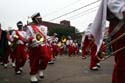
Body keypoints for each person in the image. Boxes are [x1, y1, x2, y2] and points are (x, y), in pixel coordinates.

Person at [90, 0, 125, 83]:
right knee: (123, 63)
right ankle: (93, 64)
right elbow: (114, 4)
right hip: (120, 27)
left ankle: (95, 63)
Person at [26, 12, 51, 83]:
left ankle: (41, 69)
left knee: (47, 57)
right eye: (39, 18)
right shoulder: (29, 27)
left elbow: (45, 36)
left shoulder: (44, 28)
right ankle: (33, 75)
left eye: (41, 18)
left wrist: (49, 38)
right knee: (34, 61)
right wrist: (31, 39)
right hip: (34, 46)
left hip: (43, 45)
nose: (41, 19)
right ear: (35, 19)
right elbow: (27, 37)